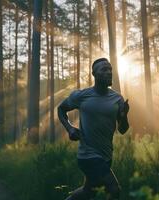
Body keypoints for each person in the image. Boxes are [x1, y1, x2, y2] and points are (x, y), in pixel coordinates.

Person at [58, 58, 129, 200]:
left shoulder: (117, 99)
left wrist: (124, 115)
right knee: (114, 190)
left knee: (88, 191)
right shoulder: (82, 96)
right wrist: (70, 128)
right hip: (87, 155)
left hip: (106, 156)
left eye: (110, 69)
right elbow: (61, 109)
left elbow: (123, 129)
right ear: (94, 74)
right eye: (104, 69)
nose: (109, 72)